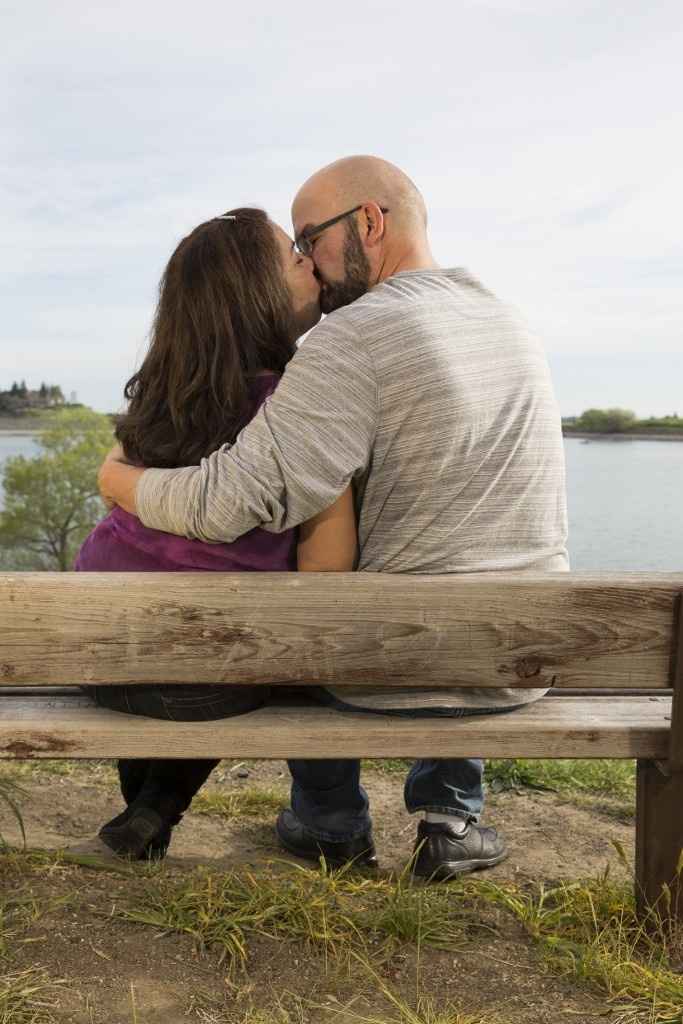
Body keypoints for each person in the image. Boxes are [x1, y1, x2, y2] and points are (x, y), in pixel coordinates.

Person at [99, 155, 569, 881]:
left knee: (304, 609)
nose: (309, 265)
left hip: (393, 669)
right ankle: (449, 817)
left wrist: (120, 478)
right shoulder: (508, 321)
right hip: (520, 658)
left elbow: (225, 503)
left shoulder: (353, 338)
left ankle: (327, 823)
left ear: (369, 223)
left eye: (306, 240)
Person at [70, 207, 365, 862]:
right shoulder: (292, 408)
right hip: (203, 677)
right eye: (293, 256)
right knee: (244, 649)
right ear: (253, 293)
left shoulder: (157, 398)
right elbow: (329, 566)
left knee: (175, 636)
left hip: (91, 655)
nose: (309, 261)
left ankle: (143, 813)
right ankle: (158, 808)